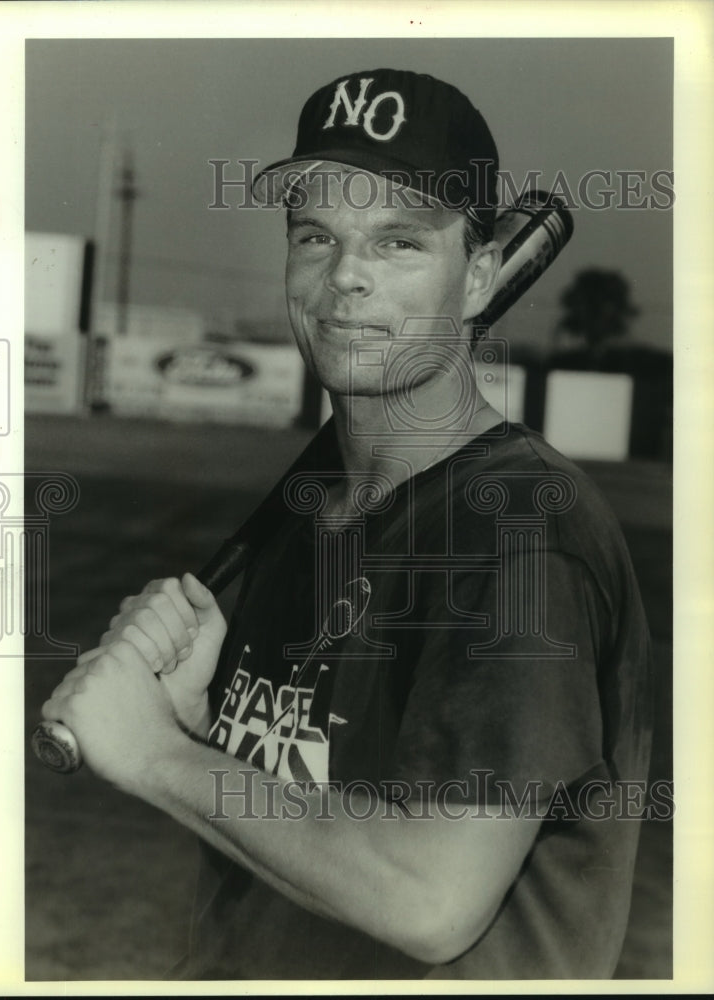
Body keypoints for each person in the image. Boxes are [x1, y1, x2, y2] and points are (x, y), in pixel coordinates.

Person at [42, 68, 653, 979]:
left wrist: (161, 757)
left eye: (400, 242)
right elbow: (309, 807)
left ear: (480, 275)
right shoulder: (310, 516)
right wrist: (202, 725)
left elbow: (428, 897)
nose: (346, 278)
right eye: (315, 235)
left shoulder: (521, 533)